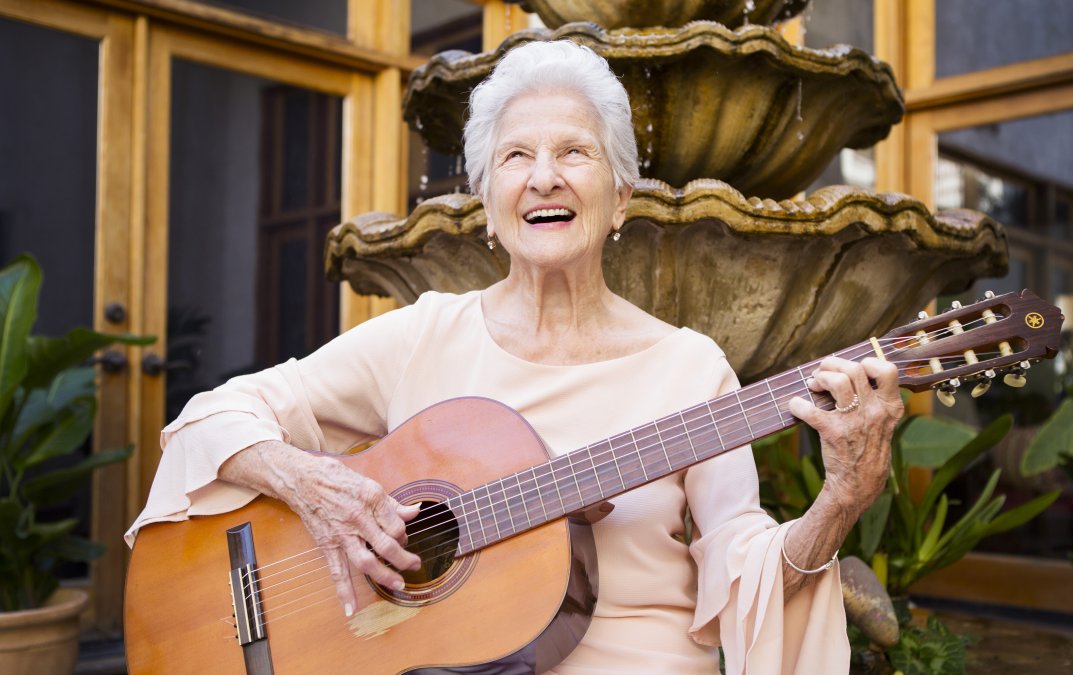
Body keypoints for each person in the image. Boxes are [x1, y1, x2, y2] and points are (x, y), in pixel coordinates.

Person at [127, 40, 903, 674]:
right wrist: (314, 485)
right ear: (489, 207)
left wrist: (839, 503)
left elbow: (746, 574)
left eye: (575, 152)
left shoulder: (690, 369)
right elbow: (213, 419)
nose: (543, 176)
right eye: (516, 157)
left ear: (622, 196)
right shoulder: (423, 336)